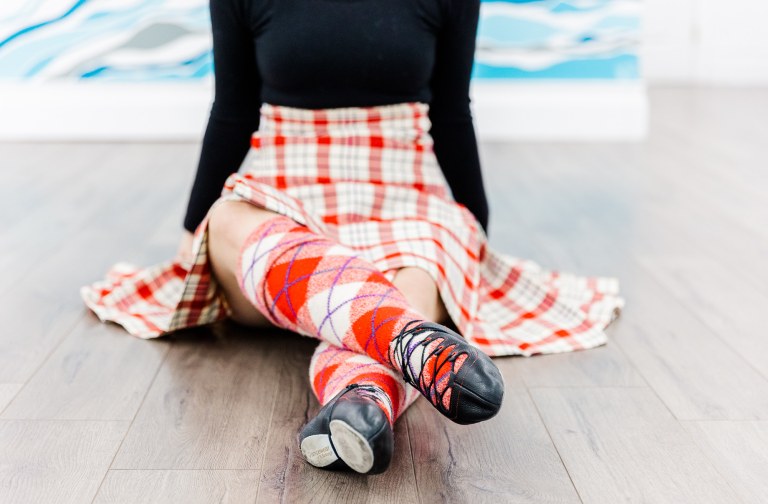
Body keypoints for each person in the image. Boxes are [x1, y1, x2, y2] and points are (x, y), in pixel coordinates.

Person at [81, 0, 624, 475]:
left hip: (403, 197)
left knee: (421, 264)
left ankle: (361, 405)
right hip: (286, 192)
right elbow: (232, 109)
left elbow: (452, 113)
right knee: (225, 221)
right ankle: (404, 341)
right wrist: (191, 227)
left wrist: (473, 233)